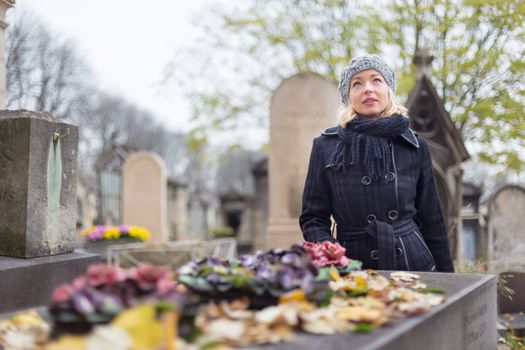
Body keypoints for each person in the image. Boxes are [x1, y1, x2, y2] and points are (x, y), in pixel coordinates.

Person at [299, 55, 454, 272]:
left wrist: (448, 279)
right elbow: (313, 218)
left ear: (389, 89)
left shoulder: (414, 145)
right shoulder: (327, 147)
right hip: (351, 267)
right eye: (357, 83)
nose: (368, 89)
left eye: (376, 80)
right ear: (348, 96)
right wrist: (334, 257)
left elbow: (432, 220)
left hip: (412, 265)